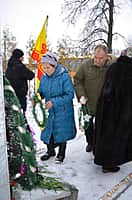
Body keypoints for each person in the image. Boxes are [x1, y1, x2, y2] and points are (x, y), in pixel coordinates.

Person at [94, 49, 132, 173]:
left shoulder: (113, 67)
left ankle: (104, 160)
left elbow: (107, 87)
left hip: (107, 106)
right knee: (119, 135)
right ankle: (111, 162)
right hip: (123, 109)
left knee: (106, 134)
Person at [38, 52, 76, 163]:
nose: (46, 70)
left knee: (61, 132)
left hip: (63, 111)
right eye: (44, 67)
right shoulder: (44, 78)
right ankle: (50, 151)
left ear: (54, 65)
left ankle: (61, 154)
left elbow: (70, 95)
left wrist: (54, 102)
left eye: (48, 67)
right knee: (47, 132)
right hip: (50, 111)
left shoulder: (64, 77)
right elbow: (41, 90)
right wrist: (37, 96)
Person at [74, 44, 111, 152]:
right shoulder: (85, 66)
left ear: (106, 57)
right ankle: (90, 142)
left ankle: (98, 145)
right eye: (95, 57)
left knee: (101, 126)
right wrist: (81, 95)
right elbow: (77, 80)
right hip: (88, 103)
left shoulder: (111, 66)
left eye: (101, 58)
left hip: (104, 104)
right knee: (88, 126)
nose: (97, 60)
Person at [5, 48, 35, 113]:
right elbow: (31, 75)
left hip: (10, 95)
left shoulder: (9, 67)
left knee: (12, 114)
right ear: (19, 57)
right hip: (20, 95)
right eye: (22, 57)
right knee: (21, 113)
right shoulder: (20, 66)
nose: (23, 58)